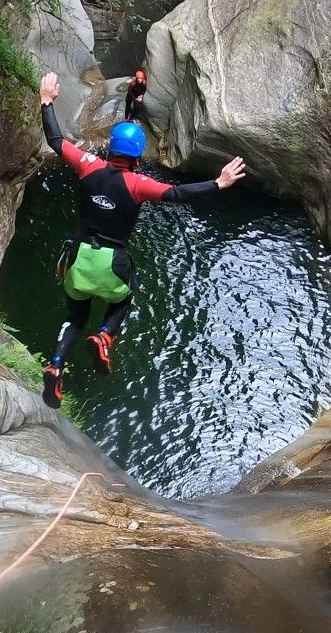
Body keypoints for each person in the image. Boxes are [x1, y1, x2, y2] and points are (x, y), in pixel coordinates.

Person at [36, 71, 247, 409]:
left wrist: (47, 101)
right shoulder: (138, 185)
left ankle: (56, 364)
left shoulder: (88, 165)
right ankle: (105, 335)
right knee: (123, 299)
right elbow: (177, 193)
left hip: (78, 259)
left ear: (111, 148)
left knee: (75, 316)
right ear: (136, 155)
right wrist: (218, 183)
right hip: (111, 264)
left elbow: (56, 139)